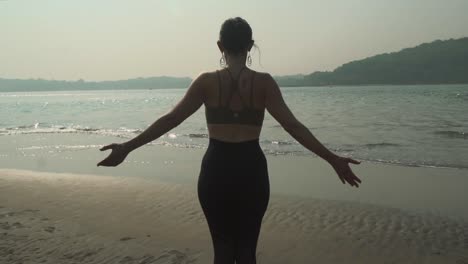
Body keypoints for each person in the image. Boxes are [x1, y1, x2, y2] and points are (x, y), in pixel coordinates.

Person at [97, 17, 361, 264]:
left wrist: (127, 147)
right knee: (246, 251)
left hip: (216, 170)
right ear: (250, 45)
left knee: (222, 251)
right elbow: (292, 126)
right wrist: (333, 159)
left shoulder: (206, 82)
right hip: (251, 170)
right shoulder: (264, 83)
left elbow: (171, 119)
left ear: (220, 45)